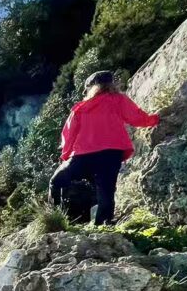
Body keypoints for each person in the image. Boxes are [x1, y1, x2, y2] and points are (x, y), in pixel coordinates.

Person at [50, 70, 160, 226]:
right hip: (111, 154)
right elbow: (137, 117)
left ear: (91, 88)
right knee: (106, 193)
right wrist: (156, 119)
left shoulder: (81, 107)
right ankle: (104, 227)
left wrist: (66, 157)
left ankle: (55, 221)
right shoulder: (119, 100)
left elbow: (68, 135)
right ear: (112, 84)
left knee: (56, 181)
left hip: (84, 155)